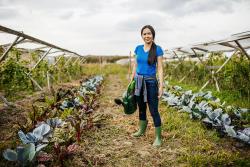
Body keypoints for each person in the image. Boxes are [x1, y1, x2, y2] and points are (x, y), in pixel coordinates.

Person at [131, 25, 164, 147]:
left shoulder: (157, 49)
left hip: (151, 82)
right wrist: (131, 79)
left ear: (153, 35)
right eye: (144, 34)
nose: (146, 36)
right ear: (141, 36)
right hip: (138, 81)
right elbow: (135, 65)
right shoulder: (138, 48)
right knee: (141, 107)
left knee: (153, 109)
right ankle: (141, 130)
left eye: (149, 33)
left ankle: (158, 137)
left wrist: (161, 85)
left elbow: (160, 68)